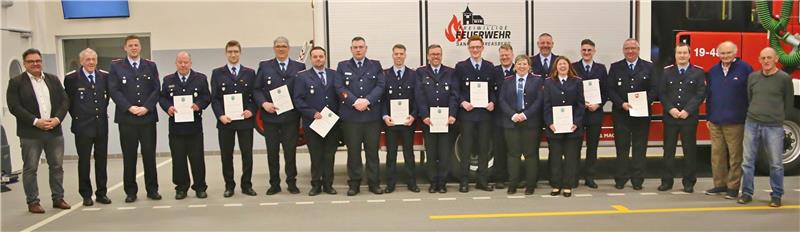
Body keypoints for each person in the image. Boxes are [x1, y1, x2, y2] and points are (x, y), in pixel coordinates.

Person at [7, 48, 71, 213]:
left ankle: (58, 198)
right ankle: (33, 202)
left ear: (41, 61)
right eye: (31, 61)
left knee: (56, 166)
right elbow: (15, 107)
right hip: (30, 134)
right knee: (30, 168)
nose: (35, 64)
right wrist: (36, 122)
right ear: (25, 64)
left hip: (54, 131)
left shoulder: (53, 79)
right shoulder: (16, 82)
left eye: (38, 61)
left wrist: (57, 119)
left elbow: (65, 101)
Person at [108, 35, 161, 202]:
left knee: (149, 156)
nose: (133, 48)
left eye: (136, 45)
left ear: (140, 47)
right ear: (125, 48)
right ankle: (130, 191)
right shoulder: (116, 66)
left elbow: (156, 89)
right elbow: (114, 90)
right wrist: (129, 107)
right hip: (127, 119)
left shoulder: (150, 66)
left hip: (147, 118)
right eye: (130, 45)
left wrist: (146, 107)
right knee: (129, 156)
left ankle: (152, 190)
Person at [738, 47, 793, 208]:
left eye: (769, 57)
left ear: (776, 59)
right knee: (747, 161)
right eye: (763, 58)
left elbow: (788, 103)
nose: (766, 61)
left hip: (774, 126)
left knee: (775, 163)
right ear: (759, 60)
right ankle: (747, 193)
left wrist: (779, 119)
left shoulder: (784, 78)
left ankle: (776, 195)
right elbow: (750, 97)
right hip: (752, 123)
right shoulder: (753, 77)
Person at [254, 36, 306, 195]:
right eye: (278, 46)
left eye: (284, 46)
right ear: (274, 48)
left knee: (290, 152)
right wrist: (264, 104)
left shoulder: (299, 66)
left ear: (289, 48)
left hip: (291, 117)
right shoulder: (265, 66)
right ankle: (274, 184)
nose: (281, 49)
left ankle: (291, 183)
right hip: (271, 117)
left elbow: (302, 90)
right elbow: (256, 89)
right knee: (272, 152)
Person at [335, 36, 387, 196]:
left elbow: (381, 85)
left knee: (372, 152)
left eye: (361, 47)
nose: (358, 49)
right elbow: (339, 87)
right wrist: (354, 101)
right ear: (351, 49)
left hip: (371, 117)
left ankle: (374, 183)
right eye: (355, 47)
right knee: (353, 153)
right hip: (351, 117)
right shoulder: (343, 66)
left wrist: (367, 100)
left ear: (366, 48)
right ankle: (354, 183)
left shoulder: (375, 65)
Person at [158, 51, 210, 200]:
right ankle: (181, 188)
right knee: (178, 159)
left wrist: (198, 105)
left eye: (185, 62)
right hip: (176, 128)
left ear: (190, 63)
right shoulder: (168, 80)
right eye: (180, 62)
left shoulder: (200, 78)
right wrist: (168, 107)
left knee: (197, 159)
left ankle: (200, 187)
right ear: (176, 63)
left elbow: (207, 96)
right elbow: (162, 98)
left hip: (194, 127)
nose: (183, 65)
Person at [704, 41, 752, 199]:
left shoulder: (745, 69)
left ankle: (733, 187)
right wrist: (708, 117)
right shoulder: (713, 71)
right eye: (722, 53)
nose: (725, 56)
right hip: (715, 120)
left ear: (735, 53)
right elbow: (709, 96)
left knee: (735, 156)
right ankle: (719, 185)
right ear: (718, 54)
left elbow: (751, 94)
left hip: (736, 121)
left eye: (728, 53)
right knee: (716, 155)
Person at [64, 48, 112, 206]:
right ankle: (86, 194)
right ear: (81, 61)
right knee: (84, 161)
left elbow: (105, 99)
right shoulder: (72, 78)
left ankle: (101, 193)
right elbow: (69, 102)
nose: (91, 62)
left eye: (93, 59)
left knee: (101, 161)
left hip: (101, 125)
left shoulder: (104, 76)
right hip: (82, 126)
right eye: (87, 59)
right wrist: (80, 118)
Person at [606, 38, 655, 190]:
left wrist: (644, 102)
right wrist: (622, 104)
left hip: (641, 114)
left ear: (638, 50)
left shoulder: (649, 66)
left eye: (633, 48)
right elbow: (610, 89)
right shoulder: (615, 67)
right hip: (621, 114)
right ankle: (621, 178)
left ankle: (637, 180)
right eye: (627, 48)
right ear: (623, 50)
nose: (630, 51)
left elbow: (655, 89)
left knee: (640, 148)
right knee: (622, 147)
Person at [210, 40, 258, 198]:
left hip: (245, 121)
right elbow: (215, 98)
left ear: (240, 53)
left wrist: (251, 110)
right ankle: (229, 185)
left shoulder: (250, 73)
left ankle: (246, 185)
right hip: (226, 121)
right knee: (226, 155)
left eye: (236, 51)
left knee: (247, 154)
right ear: (226, 53)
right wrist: (220, 115)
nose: (233, 54)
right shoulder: (217, 73)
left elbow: (254, 95)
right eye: (230, 52)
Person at [658, 43, 706, 193]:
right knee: (668, 151)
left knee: (689, 151)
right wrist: (671, 109)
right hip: (670, 117)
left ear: (690, 55)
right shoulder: (666, 72)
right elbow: (662, 93)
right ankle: (666, 181)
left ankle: (689, 182)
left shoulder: (698, 72)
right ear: (676, 55)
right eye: (679, 53)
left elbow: (700, 94)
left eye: (685, 53)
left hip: (688, 118)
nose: (682, 55)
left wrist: (687, 110)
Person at [294, 46, 341, 196]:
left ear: (325, 58)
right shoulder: (302, 77)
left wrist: (337, 114)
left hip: (331, 123)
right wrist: (312, 113)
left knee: (329, 155)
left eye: (321, 56)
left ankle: (328, 185)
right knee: (315, 155)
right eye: (315, 56)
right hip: (313, 123)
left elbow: (341, 96)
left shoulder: (335, 75)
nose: (318, 59)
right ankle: (315, 185)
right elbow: (298, 99)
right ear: (311, 59)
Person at [454, 35, 498, 193]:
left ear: (482, 48)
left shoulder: (490, 66)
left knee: (484, 149)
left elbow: (493, 89)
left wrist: (493, 102)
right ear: (468, 48)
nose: (475, 50)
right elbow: (456, 90)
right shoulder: (461, 67)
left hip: (485, 116)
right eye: (472, 47)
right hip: (467, 116)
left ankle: (482, 180)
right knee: (466, 149)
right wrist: (462, 102)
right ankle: (464, 181)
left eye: (478, 47)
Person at [498, 55, 544, 195]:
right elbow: (502, 100)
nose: (522, 66)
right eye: (519, 63)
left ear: (529, 66)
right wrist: (512, 115)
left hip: (530, 122)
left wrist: (525, 115)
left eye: (524, 64)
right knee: (513, 155)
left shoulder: (537, 80)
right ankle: (513, 184)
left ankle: (530, 185)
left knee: (530, 155)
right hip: (511, 122)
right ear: (515, 66)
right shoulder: (507, 81)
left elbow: (539, 100)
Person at [414, 44, 458, 194]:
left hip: (446, 121)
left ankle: (443, 182)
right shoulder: (420, 73)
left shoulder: (450, 72)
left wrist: (452, 114)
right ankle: (433, 182)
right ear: (427, 56)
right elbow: (419, 96)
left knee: (444, 153)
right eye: (432, 54)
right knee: (431, 153)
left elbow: (454, 95)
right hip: (429, 121)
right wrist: (424, 115)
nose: (435, 56)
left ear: (442, 55)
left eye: (438, 54)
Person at [543, 56, 585, 198]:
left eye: (565, 64)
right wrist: (550, 123)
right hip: (554, 128)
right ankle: (556, 185)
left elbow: (580, 104)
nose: (562, 66)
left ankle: (568, 185)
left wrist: (576, 123)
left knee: (570, 158)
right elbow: (546, 105)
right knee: (555, 158)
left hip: (572, 128)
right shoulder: (549, 82)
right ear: (556, 67)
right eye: (560, 64)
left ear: (569, 66)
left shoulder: (577, 82)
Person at [381, 44, 420, 193]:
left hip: (407, 121)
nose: (398, 56)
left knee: (409, 153)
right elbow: (382, 99)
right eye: (396, 54)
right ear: (392, 55)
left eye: (401, 54)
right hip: (390, 122)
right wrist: (384, 116)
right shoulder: (384, 74)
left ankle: (412, 183)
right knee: (391, 154)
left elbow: (417, 98)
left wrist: (414, 115)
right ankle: (390, 184)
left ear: (405, 55)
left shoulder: (413, 74)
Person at [572, 39, 608, 189]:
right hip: (579, 114)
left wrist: (598, 104)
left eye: (589, 50)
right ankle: (573, 176)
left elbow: (606, 91)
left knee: (592, 147)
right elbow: (570, 89)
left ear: (594, 51)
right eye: (584, 50)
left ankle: (590, 177)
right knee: (575, 147)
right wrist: (582, 104)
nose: (586, 53)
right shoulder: (573, 67)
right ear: (581, 51)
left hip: (595, 113)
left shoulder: (601, 68)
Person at [491, 43, 514, 189]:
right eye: (502, 55)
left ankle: (513, 177)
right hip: (498, 116)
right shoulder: (494, 71)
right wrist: (492, 101)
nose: (504, 57)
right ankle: (499, 178)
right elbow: (490, 91)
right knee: (499, 149)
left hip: (514, 117)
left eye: (507, 55)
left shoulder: (519, 69)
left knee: (513, 150)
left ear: (512, 55)